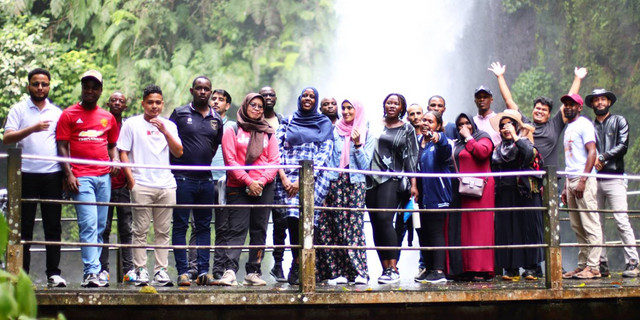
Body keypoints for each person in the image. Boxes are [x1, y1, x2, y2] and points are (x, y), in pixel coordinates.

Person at [56, 69, 120, 287]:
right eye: (86, 87)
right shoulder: (69, 114)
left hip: (103, 177)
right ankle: (90, 272)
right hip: (81, 177)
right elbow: (62, 147)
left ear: (100, 91)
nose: (90, 91)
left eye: (94, 87)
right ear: (82, 89)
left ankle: (99, 269)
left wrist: (115, 161)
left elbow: (112, 146)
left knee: (101, 225)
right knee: (89, 224)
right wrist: (69, 173)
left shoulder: (108, 117)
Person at [3, 68, 66, 287]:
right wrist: (32, 128)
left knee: (53, 226)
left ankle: (54, 273)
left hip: (52, 174)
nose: (40, 88)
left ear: (49, 86)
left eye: (44, 84)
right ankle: (23, 275)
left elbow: (63, 143)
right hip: (26, 174)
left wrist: (67, 172)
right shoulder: (19, 109)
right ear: (28, 85)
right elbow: (7, 138)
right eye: (36, 84)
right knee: (25, 226)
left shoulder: (57, 112)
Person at [118, 84, 183, 287]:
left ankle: (161, 271)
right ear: (143, 103)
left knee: (163, 231)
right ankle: (140, 270)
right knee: (140, 230)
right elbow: (123, 152)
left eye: (157, 102)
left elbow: (179, 151)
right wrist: (131, 181)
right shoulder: (132, 124)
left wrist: (164, 131)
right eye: (150, 102)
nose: (154, 106)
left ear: (162, 104)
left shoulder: (169, 126)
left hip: (166, 184)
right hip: (141, 184)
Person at [274, 86, 334, 285]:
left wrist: (303, 181)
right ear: (300, 99)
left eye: (312, 96)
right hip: (288, 176)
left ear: (315, 101)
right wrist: (284, 178)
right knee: (292, 218)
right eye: (305, 96)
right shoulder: (289, 121)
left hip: (314, 177)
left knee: (308, 218)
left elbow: (325, 152)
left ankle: (301, 265)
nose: (308, 99)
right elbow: (277, 148)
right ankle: (297, 261)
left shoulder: (323, 123)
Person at [219, 93, 279, 286]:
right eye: (253, 105)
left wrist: (260, 181)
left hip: (264, 187)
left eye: (260, 107)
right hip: (238, 186)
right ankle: (230, 272)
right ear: (245, 105)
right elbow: (230, 160)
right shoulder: (232, 129)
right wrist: (248, 181)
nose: (256, 109)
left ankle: (254, 272)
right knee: (236, 229)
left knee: (259, 230)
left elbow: (274, 161)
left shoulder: (268, 132)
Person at [170, 76, 223, 286]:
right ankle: (183, 272)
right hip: (182, 178)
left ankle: (203, 272)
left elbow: (213, 147)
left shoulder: (216, 119)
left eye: (206, 89)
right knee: (181, 225)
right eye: (199, 88)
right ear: (192, 90)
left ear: (210, 92)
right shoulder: (180, 113)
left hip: (205, 180)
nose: (203, 92)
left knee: (203, 226)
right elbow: (170, 142)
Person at [316, 99, 372, 286]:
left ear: (358, 110)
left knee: (354, 227)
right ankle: (339, 272)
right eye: (344, 108)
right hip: (335, 182)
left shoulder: (367, 133)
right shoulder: (334, 131)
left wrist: (358, 145)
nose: (346, 111)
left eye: (350, 108)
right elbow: (328, 160)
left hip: (355, 183)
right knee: (335, 227)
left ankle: (360, 272)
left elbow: (366, 168)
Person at [489, 61, 587, 167]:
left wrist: (578, 78)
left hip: (549, 176)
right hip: (529, 175)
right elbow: (509, 101)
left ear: (549, 114)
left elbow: (568, 102)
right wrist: (500, 76)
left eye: (544, 110)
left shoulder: (555, 125)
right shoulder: (525, 124)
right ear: (533, 110)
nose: (540, 111)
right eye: (537, 108)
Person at [366, 93, 419, 284]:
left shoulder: (407, 129)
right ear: (384, 105)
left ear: (401, 108)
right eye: (389, 102)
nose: (392, 105)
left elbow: (412, 157)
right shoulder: (373, 124)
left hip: (393, 178)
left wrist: (414, 184)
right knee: (375, 222)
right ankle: (384, 267)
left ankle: (393, 267)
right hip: (370, 179)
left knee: (384, 218)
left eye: (396, 103)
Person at [586, 88, 639, 278]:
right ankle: (601, 263)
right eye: (596, 100)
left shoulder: (619, 121)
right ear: (592, 104)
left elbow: (623, 145)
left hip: (615, 177)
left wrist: (603, 157)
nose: (600, 102)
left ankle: (633, 262)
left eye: (603, 99)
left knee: (621, 219)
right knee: (596, 223)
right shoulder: (589, 126)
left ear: (609, 102)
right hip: (594, 179)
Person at [489, 110, 544, 281]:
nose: (506, 128)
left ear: (516, 126)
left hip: (525, 192)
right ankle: (510, 268)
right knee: (507, 230)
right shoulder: (498, 149)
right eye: (503, 125)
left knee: (528, 230)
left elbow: (529, 155)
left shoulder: (524, 143)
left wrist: (515, 137)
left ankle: (531, 268)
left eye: (510, 124)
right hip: (505, 193)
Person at [559, 93, 603, 280]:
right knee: (577, 225)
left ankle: (594, 267)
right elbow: (571, 159)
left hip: (583, 179)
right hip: (571, 179)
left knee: (590, 222)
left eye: (572, 104)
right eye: (566, 105)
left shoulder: (584, 124)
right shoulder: (569, 127)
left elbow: (592, 152)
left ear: (579, 107)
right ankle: (583, 264)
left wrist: (583, 180)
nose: (568, 107)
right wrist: (565, 186)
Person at [447, 113, 495, 282]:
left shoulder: (482, 136)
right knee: (465, 230)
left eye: (467, 123)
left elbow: (483, 153)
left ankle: (482, 268)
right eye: (460, 124)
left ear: (473, 124)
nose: (464, 127)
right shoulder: (457, 143)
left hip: (481, 191)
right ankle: (465, 268)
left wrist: (469, 138)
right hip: (463, 190)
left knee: (480, 229)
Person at [99, 92, 135, 284]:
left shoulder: (128, 126)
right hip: (104, 182)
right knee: (103, 229)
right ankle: (103, 270)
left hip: (123, 185)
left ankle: (128, 271)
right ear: (108, 103)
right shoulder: (101, 122)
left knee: (126, 229)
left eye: (121, 100)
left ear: (125, 106)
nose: (117, 103)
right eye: (114, 100)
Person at [414, 110, 451, 284]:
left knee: (435, 230)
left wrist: (439, 138)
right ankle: (428, 268)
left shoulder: (439, 141)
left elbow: (445, 151)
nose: (425, 123)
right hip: (420, 194)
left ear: (438, 125)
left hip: (437, 192)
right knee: (422, 231)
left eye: (430, 121)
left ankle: (438, 270)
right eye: (424, 120)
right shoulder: (418, 142)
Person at [259, 86, 288, 283]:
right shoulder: (252, 121)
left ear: (275, 98)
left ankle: (278, 265)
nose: (268, 97)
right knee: (259, 224)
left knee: (281, 223)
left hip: (280, 180)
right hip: (259, 178)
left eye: (271, 95)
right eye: (264, 95)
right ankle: (255, 267)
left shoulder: (283, 121)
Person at [208, 89, 236, 282]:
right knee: (199, 225)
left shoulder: (233, 126)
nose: (216, 102)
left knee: (223, 227)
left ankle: (219, 268)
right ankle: (196, 268)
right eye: (214, 99)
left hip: (224, 180)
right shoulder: (202, 121)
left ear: (227, 105)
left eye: (221, 100)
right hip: (204, 179)